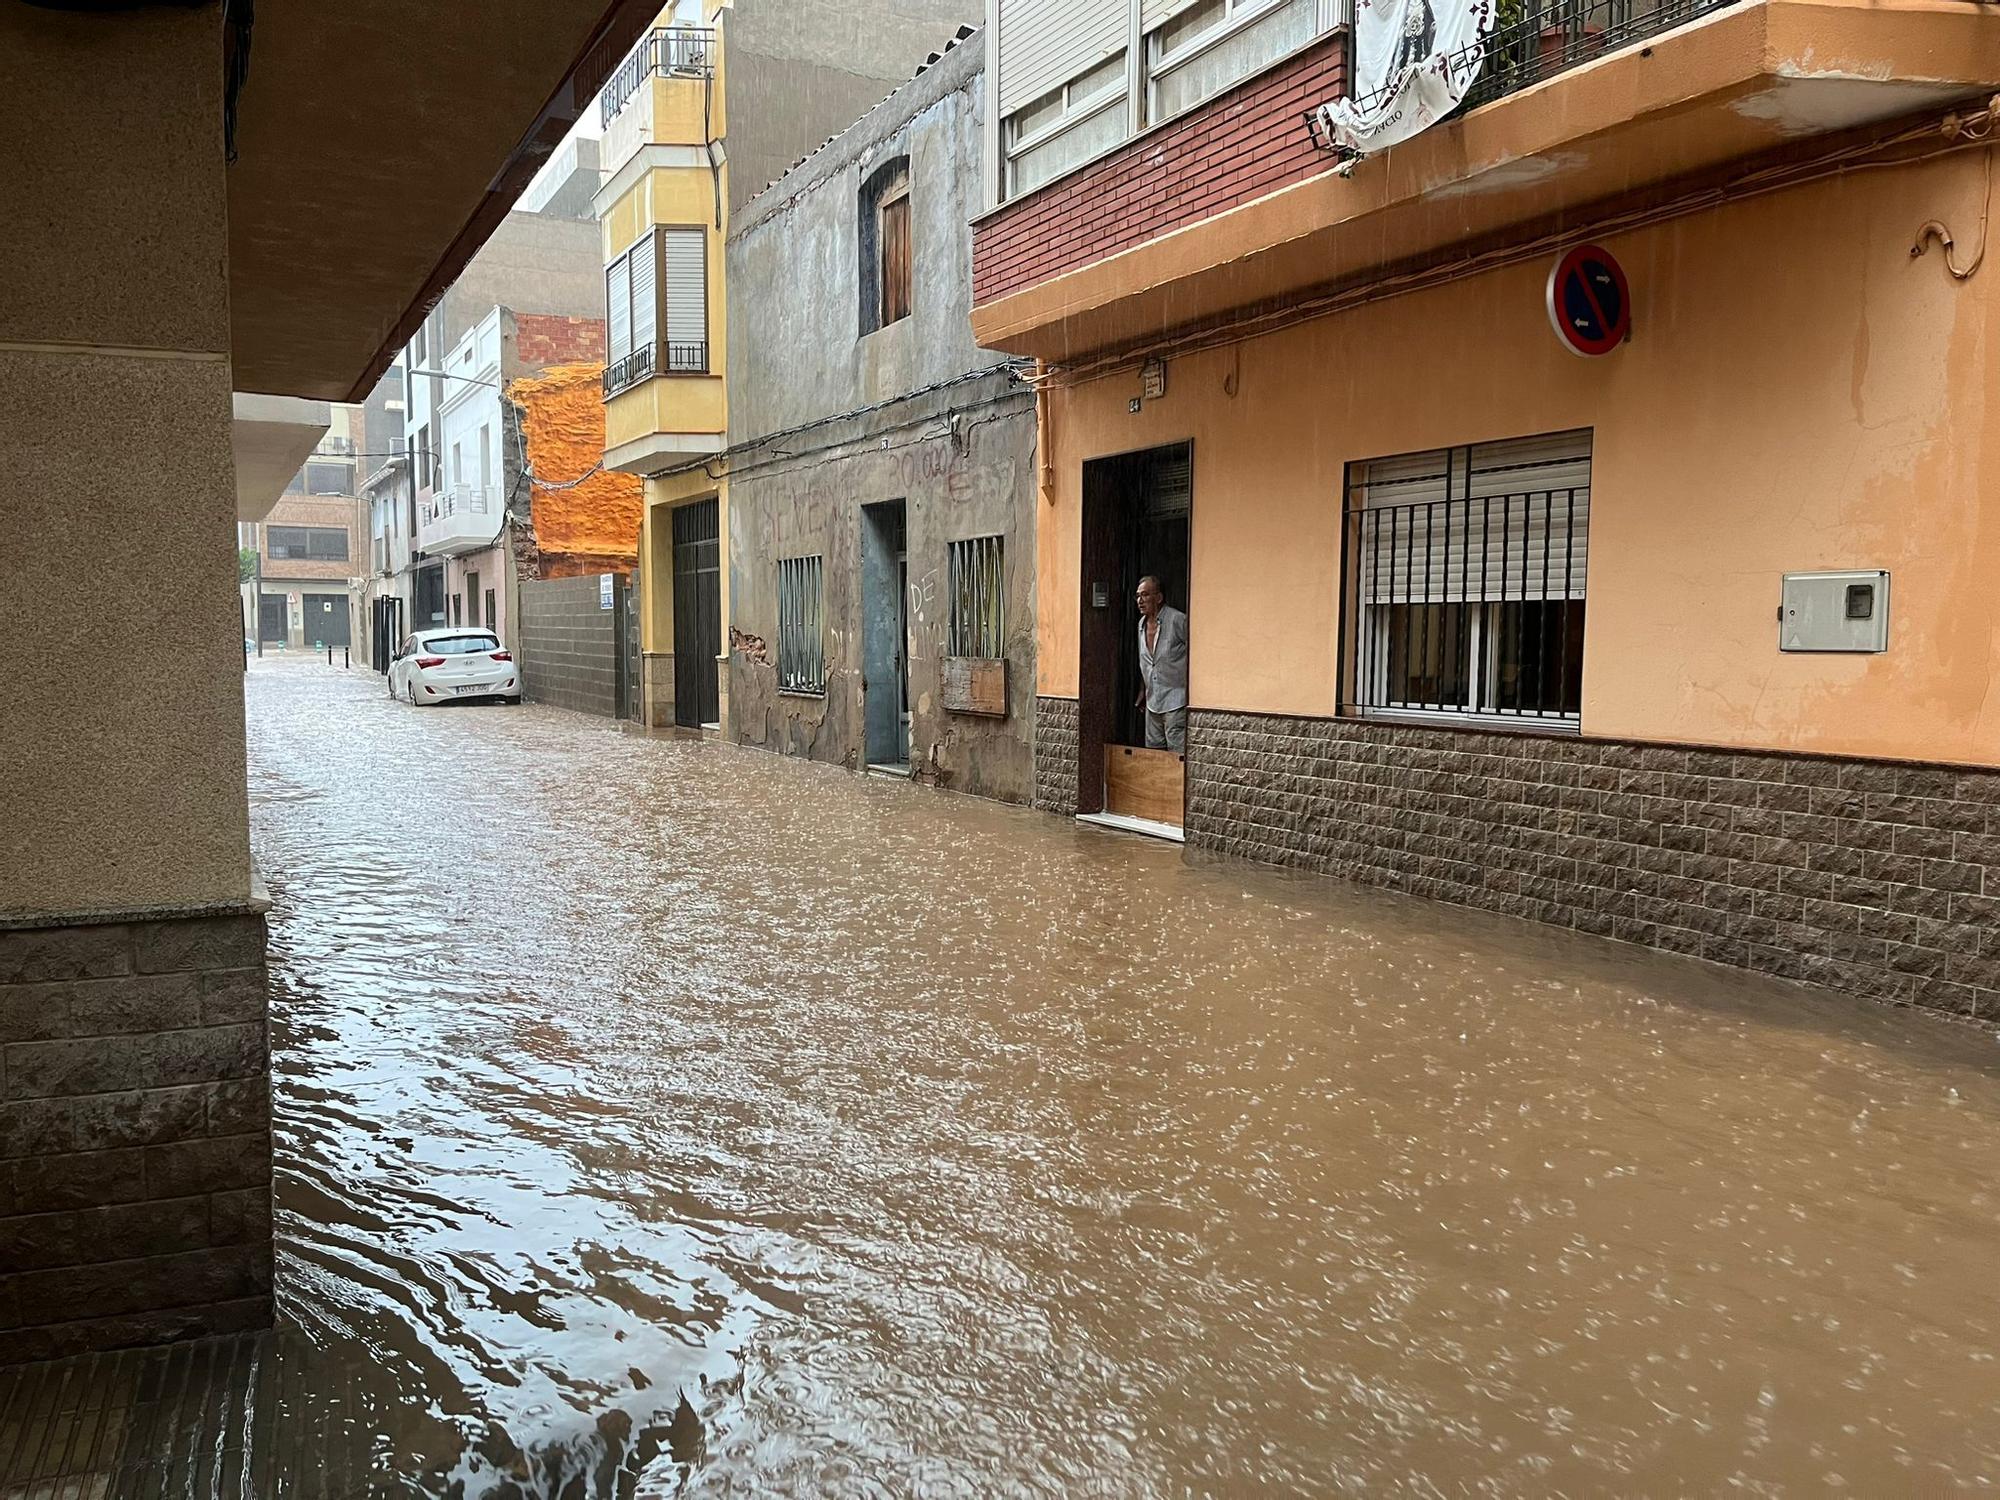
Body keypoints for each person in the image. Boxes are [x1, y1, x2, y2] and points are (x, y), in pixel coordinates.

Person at [1133, 575, 1188, 753]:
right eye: (1138, 596)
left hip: (1176, 698)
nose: (1140, 601)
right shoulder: (1141, 624)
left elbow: (1196, 653)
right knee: (1153, 754)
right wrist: (1143, 689)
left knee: (1176, 754)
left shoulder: (1178, 620)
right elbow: (1147, 661)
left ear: (1158, 597)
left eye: (1145, 595)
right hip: (1152, 700)